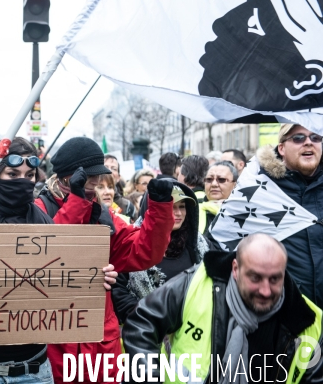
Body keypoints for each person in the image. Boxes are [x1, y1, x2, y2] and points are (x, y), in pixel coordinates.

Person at [0, 137, 117, 383]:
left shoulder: (43, 222)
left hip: (32, 371)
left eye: (29, 175)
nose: (23, 182)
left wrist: (93, 278)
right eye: (13, 174)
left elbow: (61, 282)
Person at [34, 136, 174, 384]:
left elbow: (144, 252)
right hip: (55, 341)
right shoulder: (39, 209)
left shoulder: (103, 214)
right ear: (68, 177)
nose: (98, 181)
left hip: (100, 342)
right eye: (91, 176)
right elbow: (49, 255)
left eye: (99, 175)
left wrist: (160, 209)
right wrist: (76, 202)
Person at [123, 233, 323, 383]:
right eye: (255, 277)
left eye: (274, 279)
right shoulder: (195, 284)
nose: (265, 290)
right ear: (235, 269)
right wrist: (149, 376)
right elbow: (142, 323)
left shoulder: (310, 323)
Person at [209, 124, 323, 308]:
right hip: (284, 316)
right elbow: (220, 241)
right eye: (299, 138)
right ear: (282, 148)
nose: (309, 142)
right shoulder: (257, 186)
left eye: (316, 137)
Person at [111, 183, 211, 324]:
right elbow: (119, 293)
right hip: (146, 331)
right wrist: (148, 318)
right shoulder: (132, 242)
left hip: (192, 328)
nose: (178, 213)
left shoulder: (199, 245)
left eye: (182, 206)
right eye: (172, 206)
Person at [199, 160, 237, 233]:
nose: (214, 184)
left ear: (234, 185)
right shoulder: (192, 210)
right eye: (209, 179)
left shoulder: (243, 213)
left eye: (221, 179)